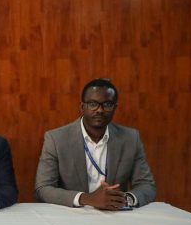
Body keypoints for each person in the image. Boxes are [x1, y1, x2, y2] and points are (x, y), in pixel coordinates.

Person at [34, 78, 156, 209]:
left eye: (107, 104)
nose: (100, 110)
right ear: (82, 107)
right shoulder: (56, 139)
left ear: (115, 108)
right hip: (73, 214)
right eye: (93, 104)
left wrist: (123, 199)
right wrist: (87, 199)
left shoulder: (130, 138)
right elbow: (42, 188)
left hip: (115, 213)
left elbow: (147, 185)